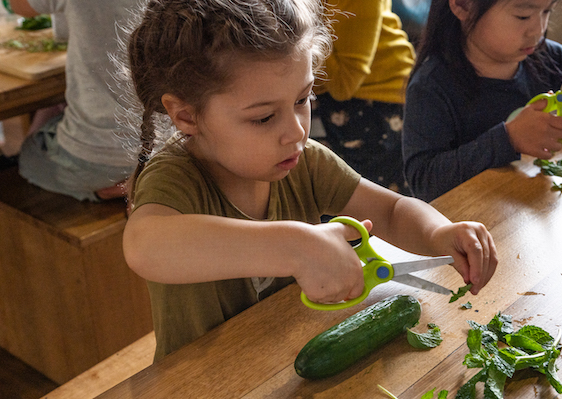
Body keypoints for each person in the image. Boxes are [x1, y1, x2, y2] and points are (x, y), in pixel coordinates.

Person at [120, 0, 498, 362]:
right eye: (264, 118)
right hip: (200, 381)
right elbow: (145, 245)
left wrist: (438, 234)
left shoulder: (303, 163)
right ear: (186, 116)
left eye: (303, 99)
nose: (296, 131)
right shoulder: (174, 177)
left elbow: (393, 210)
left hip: (281, 359)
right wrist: (296, 245)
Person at [402, 0, 562, 202]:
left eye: (546, 12)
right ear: (463, 6)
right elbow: (424, 182)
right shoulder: (430, 86)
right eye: (522, 16)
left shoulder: (545, 56)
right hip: (470, 223)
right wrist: (509, 139)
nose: (538, 30)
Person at [8, 0, 139, 201]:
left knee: (27, 158)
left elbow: (20, 6)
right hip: (167, 148)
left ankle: (107, 191)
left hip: (101, 159)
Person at [312, 0, 415, 194]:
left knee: (372, 210)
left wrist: (306, 16)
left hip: (376, 105)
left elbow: (343, 85)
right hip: (324, 99)